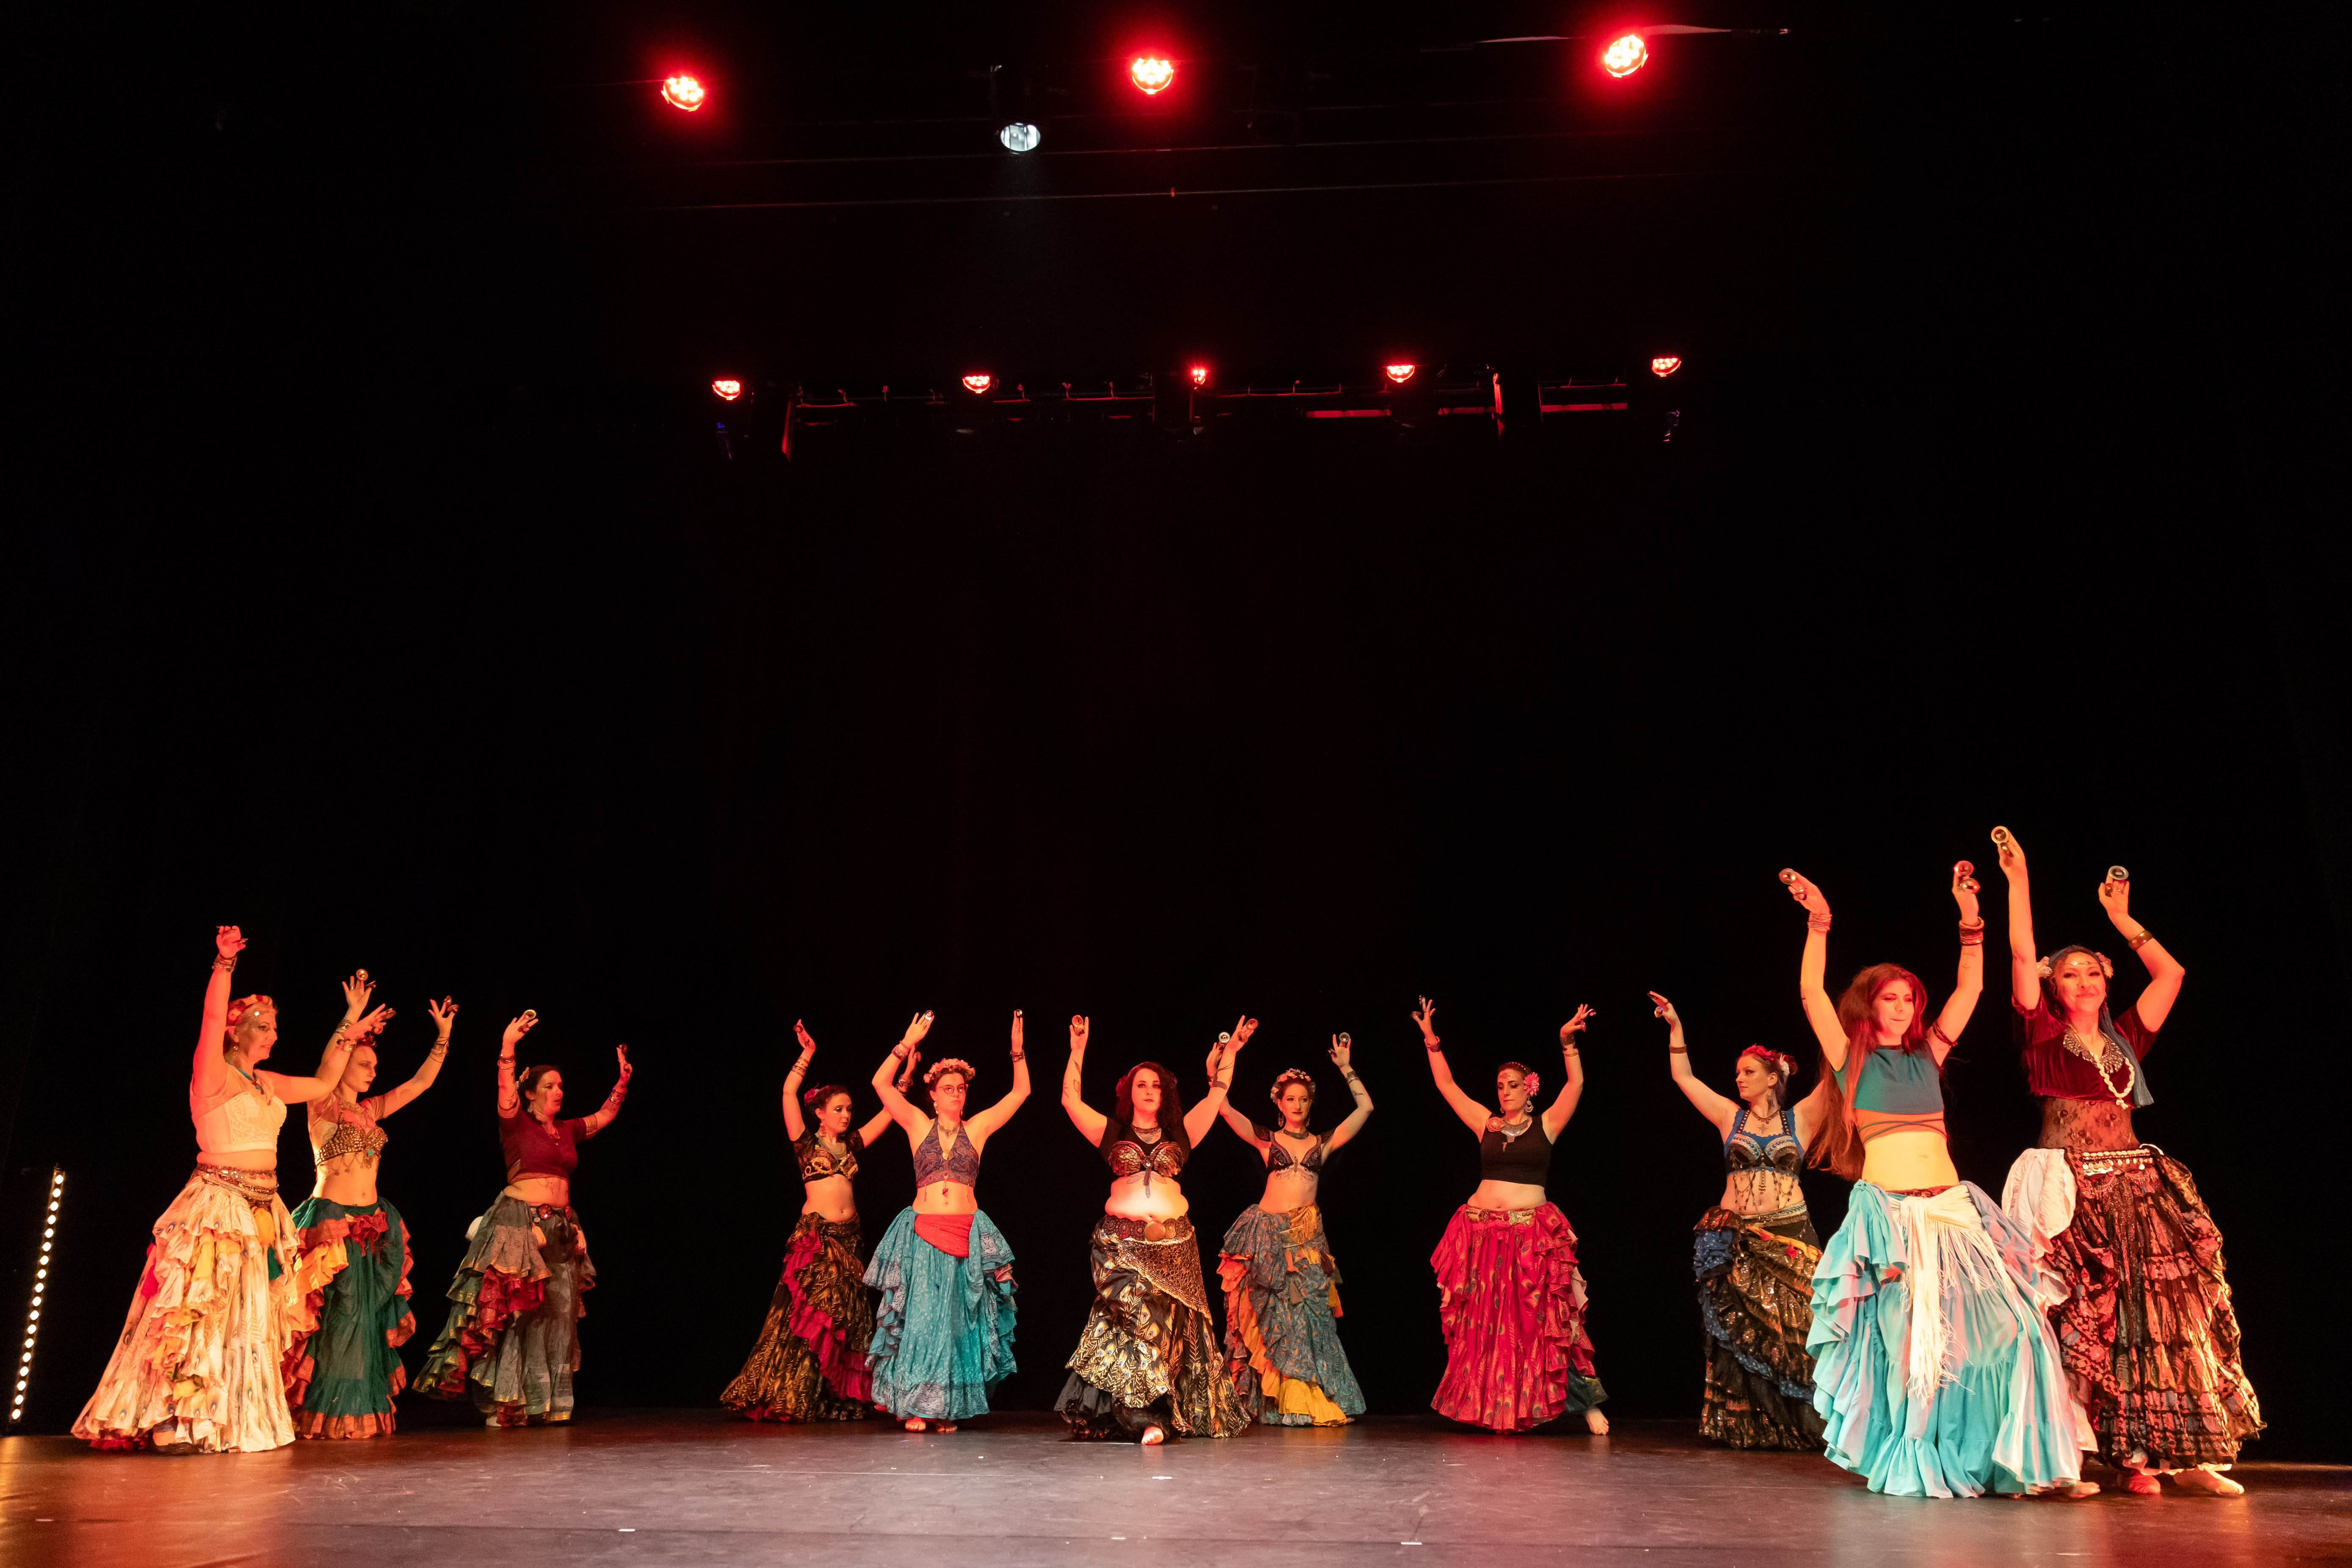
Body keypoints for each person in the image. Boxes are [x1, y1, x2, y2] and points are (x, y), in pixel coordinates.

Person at [1785, 864, 2096, 1499]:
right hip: (1891, 1217)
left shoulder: (1929, 1052)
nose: (1902, 1007)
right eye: (1890, 997)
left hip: (1954, 1210)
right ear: (1868, 1004)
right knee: (1917, 1350)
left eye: (1908, 998)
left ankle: (2029, 1465)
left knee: (2017, 1328)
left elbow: (1970, 985)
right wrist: (1818, 921)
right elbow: (1811, 991)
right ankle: (1920, 1456)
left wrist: (1969, 918)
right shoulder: (1849, 1058)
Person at [1991, 829, 2262, 1494]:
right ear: (2051, 984)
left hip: (2136, 1184)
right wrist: (2017, 880)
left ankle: (2173, 1453)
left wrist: (2120, 917)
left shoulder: (2127, 1035)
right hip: (2071, 1190)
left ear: (2106, 977)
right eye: (2068, 972)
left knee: (2163, 1313)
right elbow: (2021, 951)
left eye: (2091, 969)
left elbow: (2171, 973)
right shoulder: (2039, 1031)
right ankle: (2100, 1456)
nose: (2081, 979)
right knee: (2091, 1315)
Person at [74, 929, 381, 1452]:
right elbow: (212, 1017)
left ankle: (224, 1417)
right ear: (237, 1032)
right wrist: (224, 965)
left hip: (263, 1209)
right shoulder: (213, 1075)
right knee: (203, 1314)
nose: (272, 1034)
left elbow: (325, 1081)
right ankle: (175, 1418)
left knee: (246, 1319)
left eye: (275, 1027)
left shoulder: (269, 1083)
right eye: (263, 1025)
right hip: (218, 1205)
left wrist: (348, 1022)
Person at [417, 1012, 633, 1426]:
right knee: (520, 1313)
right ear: (529, 1093)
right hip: (520, 1222)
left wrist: (621, 1082)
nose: (558, 1091)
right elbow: (504, 1086)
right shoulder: (515, 1122)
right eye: (549, 1086)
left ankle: (547, 1402)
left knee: (560, 1316)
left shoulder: (567, 1130)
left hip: (561, 1227)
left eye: (561, 1086)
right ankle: (509, 1403)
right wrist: (508, 1047)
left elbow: (603, 1117)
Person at [1056, 1015, 1255, 1443]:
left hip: (1173, 1245)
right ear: (1128, 1091)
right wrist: (1078, 1049)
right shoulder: (1112, 1131)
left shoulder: (1181, 1133)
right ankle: (1145, 1418)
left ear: (1165, 1094)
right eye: (1141, 1084)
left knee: (1168, 1331)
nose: (1148, 1090)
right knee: (1136, 1321)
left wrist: (1232, 1052)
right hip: (1120, 1244)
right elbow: (1070, 1100)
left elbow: (1217, 1093)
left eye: (1156, 1085)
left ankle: (1156, 1412)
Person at [1418, 996, 1610, 1435]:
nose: (1504, 1091)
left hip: (1530, 1238)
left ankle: (1585, 1404)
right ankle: (1486, 1404)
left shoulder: (1546, 1125)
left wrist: (1567, 1042)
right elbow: (1447, 1086)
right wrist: (1431, 1041)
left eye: (1512, 1085)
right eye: (1500, 1085)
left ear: (1529, 1089)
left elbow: (1576, 1084)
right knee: (1484, 1329)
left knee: (1550, 1322)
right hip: (1481, 1235)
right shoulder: (1483, 1123)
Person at [1653, 990, 1827, 1450]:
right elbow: (1683, 1076)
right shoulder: (1728, 1116)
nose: (1739, 1079)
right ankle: (1746, 1426)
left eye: (1748, 1072)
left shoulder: (1801, 1118)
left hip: (1790, 1234)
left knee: (1794, 1332)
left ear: (1773, 1078)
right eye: (1737, 1073)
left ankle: (1799, 1426)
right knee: (1739, 1335)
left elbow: (1841, 1072)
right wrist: (1676, 1027)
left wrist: (1833, 1017)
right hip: (1737, 1236)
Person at [721, 1019, 912, 1421]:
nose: (846, 1115)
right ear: (820, 1113)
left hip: (850, 1239)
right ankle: (795, 1392)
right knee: (815, 1316)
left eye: (849, 1109)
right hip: (818, 1238)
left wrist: (905, 1078)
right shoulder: (805, 1143)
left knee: (843, 1319)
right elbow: (788, 1092)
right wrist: (806, 1054)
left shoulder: (853, 1144)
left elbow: (890, 1114)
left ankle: (832, 1395)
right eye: (838, 1109)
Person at [285, 994, 457, 1438]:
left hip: (374, 1222)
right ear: (343, 1064)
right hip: (333, 1221)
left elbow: (419, 1084)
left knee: (366, 1318)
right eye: (364, 1063)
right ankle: (325, 1413)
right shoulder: (321, 1103)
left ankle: (359, 1410)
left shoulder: (371, 1109)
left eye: (374, 1065)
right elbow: (327, 1061)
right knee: (339, 1317)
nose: (373, 1071)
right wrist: (350, 1023)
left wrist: (442, 1037)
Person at [862, 1010, 1028, 1432]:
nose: (956, 1094)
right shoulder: (917, 1123)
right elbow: (880, 1084)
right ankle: (918, 1406)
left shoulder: (979, 1127)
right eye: (947, 1088)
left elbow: (1021, 1092)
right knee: (921, 1320)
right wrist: (905, 1042)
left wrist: (1017, 1051)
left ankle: (945, 1408)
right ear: (933, 1095)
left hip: (966, 1233)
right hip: (922, 1231)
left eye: (961, 1088)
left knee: (956, 1323)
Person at [1213, 1035, 1374, 1426]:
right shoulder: (1267, 1139)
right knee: (1273, 1319)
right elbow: (1222, 1107)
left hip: (1306, 1238)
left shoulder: (1323, 1142)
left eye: (1303, 1099)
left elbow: (1366, 1107)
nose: (1297, 1105)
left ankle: (1306, 1397)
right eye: (1290, 1099)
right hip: (1267, 1234)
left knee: (1309, 1320)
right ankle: (1276, 1399)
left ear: (1310, 1102)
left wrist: (1346, 1067)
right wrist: (1220, 1064)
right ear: (1279, 1102)